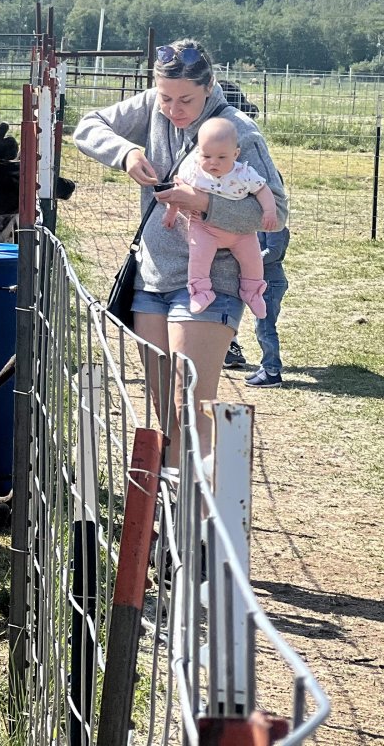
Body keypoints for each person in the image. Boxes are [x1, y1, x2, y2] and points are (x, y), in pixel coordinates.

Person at [74, 39, 288, 465]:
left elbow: (276, 214)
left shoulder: (239, 132)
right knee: (164, 410)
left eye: (186, 100)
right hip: (152, 280)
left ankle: (204, 500)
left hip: (212, 281)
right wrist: (126, 152)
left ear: (209, 87)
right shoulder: (154, 106)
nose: (173, 109)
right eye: (165, 98)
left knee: (189, 405)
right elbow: (87, 127)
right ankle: (175, 498)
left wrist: (204, 203)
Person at [162, 116, 278, 319]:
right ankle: (200, 292)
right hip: (204, 227)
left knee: (253, 259)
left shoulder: (244, 173)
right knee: (198, 258)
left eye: (222, 157)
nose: (213, 162)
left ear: (236, 154)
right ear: (198, 153)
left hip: (240, 230)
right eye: (207, 156)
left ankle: (252, 292)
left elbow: (263, 190)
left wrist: (269, 211)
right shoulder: (193, 172)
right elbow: (178, 194)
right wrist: (171, 212)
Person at [245, 226, 290, 386]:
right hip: (265, 281)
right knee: (262, 327)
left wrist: (247, 261)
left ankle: (272, 371)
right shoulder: (264, 222)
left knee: (265, 327)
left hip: (270, 282)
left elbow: (273, 252)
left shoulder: (274, 224)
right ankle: (266, 366)